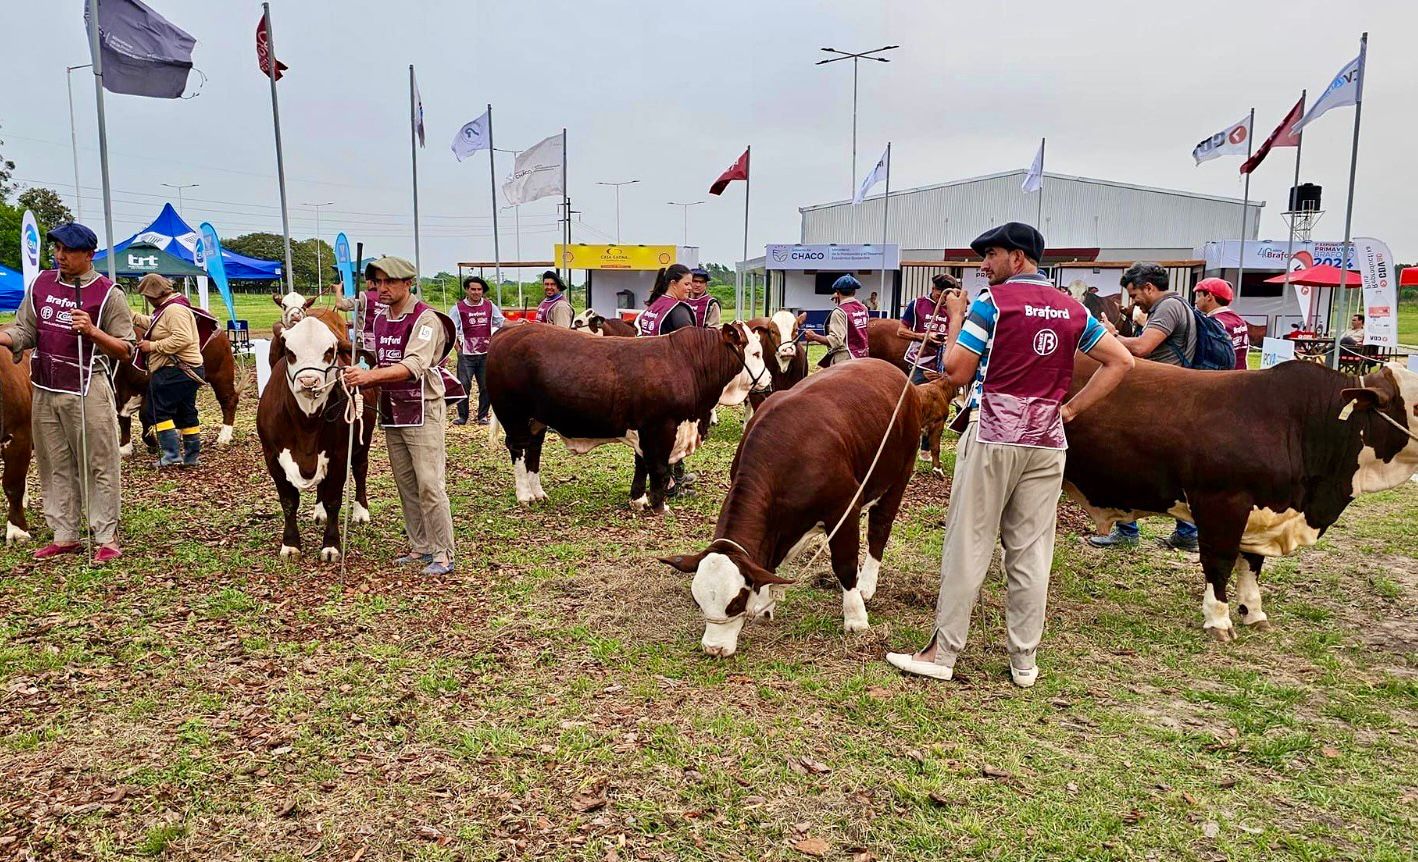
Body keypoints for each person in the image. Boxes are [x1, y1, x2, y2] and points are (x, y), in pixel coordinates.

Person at [886, 222, 1133, 687]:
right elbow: (1122, 360)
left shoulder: (992, 303)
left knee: (969, 542)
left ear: (1016, 258)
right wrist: (1071, 409)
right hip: (1047, 440)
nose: (984, 265)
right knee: (1032, 551)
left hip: (994, 433)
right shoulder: (1073, 308)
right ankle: (1024, 661)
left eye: (991, 255)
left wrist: (956, 316)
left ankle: (943, 651)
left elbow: (956, 371)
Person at [0, 222, 135, 563]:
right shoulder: (41, 284)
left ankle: (106, 535)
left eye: (69, 251)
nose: (60, 256)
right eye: (57, 249)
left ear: (89, 254)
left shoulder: (108, 293)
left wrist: (92, 332)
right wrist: (4, 337)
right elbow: (25, 331)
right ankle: (64, 534)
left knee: (99, 462)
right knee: (53, 463)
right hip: (45, 387)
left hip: (88, 387)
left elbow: (126, 349)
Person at [341, 256, 457, 576]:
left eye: (390, 282)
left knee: (429, 484)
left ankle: (443, 553)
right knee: (406, 483)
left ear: (408, 283)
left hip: (422, 409)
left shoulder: (426, 319)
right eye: (378, 282)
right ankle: (420, 545)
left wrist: (369, 377)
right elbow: (380, 360)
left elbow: (414, 365)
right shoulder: (380, 319)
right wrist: (357, 371)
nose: (382, 288)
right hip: (392, 411)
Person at [1089, 262, 1199, 551]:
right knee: (1170, 467)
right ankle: (1186, 532)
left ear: (1149, 287)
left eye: (1135, 294)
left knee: (1123, 461)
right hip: (1168, 398)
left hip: (1158, 399)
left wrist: (1110, 336)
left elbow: (1142, 348)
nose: (1134, 301)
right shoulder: (1177, 305)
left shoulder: (1168, 308)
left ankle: (1127, 529)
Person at [133, 274, 208, 466]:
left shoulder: (174, 310)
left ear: (153, 294)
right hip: (186, 369)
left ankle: (171, 455)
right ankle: (191, 457)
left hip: (175, 369)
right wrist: (133, 317)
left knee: (158, 410)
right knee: (186, 411)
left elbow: (182, 338)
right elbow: (157, 325)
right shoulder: (171, 307)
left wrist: (152, 346)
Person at [449, 275, 505, 426]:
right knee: (464, 385)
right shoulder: (458, 308)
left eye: (479, 289)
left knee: (486, 386)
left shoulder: (490, 306)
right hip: (466, 354)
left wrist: (519, 324)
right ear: (467, 290)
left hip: (486, 353)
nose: (476, 292)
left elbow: (502, 322)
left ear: (483, 291)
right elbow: (450, 330)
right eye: (473, 289)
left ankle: (483, 416)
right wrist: (458, 349)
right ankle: (462, 416)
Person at [899, 273, 956, 385]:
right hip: (920, 363)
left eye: (947, 294)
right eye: (940, 293)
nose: (943, 298)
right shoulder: (917, 304)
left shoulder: (953, 308)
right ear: (933, 289)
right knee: (916, 393)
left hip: (945, 365)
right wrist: (923, 336)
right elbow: (900, 331)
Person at [803, 274, 870, 366]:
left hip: (845, 358)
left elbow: (836, 341)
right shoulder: (863, 308)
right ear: (854, 292)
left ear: (837, 292)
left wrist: (814, 336)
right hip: (863, 357)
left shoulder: (839, 312)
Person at [1192, 278, 1249, 370]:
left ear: (1209, 296)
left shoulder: (1214, 323)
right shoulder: (1240, 320)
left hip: (1222, 376)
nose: (1196, 301)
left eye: (1199, 296)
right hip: (1240, 373)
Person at [637, 264, 696, 336]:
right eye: (686, 284)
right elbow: (690, 339)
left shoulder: (655, 305)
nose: (690, 288)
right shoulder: (678, 309)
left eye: (691, 284)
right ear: (673, 283)